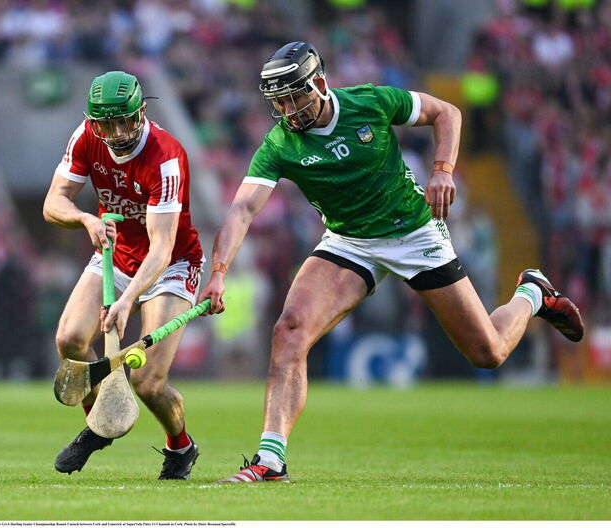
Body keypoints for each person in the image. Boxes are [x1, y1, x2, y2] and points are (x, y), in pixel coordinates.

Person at [198, 42, 585, 483]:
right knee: (288, 332)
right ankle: (271, 461)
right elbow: (242, 211)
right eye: (279, 101)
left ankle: (532, 292)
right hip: (348, 241)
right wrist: (219, 273)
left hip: (413, 233)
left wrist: (442, 169)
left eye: (294, 95)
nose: (288, 109)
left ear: (320, 84)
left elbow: (448, 113)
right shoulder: (281, 143)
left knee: (488, 351)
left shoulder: (371, 101)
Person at [43, 71, 204, 480]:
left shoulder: (166, 157)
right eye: (106, 124)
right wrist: (84, 219)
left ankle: (180, 447)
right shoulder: (86, 136)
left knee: (148, 382)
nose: (116, 133)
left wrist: (127, 299)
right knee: (69, 339)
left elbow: (163, 246)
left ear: (142, 112)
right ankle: (100, 422)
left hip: (170, 266)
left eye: (125, 122)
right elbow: (52, 203)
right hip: (115, 254)